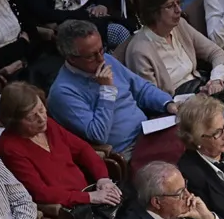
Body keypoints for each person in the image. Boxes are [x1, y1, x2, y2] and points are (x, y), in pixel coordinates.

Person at [0, 82, 122, 219]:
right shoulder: (9, 148)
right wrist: (90, 197)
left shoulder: (48, 125)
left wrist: (102, 178)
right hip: (73, 210)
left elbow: (82, 149)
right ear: (14, 121)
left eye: (42, 109)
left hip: (92, 194)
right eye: (32, 117)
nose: (42, 118)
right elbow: (40, 193)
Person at [47, 20, 178, 156]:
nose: (101, 59)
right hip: (126, 150)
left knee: (189, 135)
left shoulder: (107, 59)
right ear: (71, 58)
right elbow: (98, 135)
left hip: (148, 130)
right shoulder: (63, 93)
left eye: (101, 49)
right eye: (91, 56)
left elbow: (141, 89)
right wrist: (107, 91)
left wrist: (167, 103)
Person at [125, 0, 224, 96]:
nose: (178, 10)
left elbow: (215, 52)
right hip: (179, 101)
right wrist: (196, 98)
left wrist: (216, 80)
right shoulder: (139, 51)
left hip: (202, 86)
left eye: (178, 3)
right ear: (154, 12)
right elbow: (152, 98)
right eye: (170, 6)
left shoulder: (180, 25)